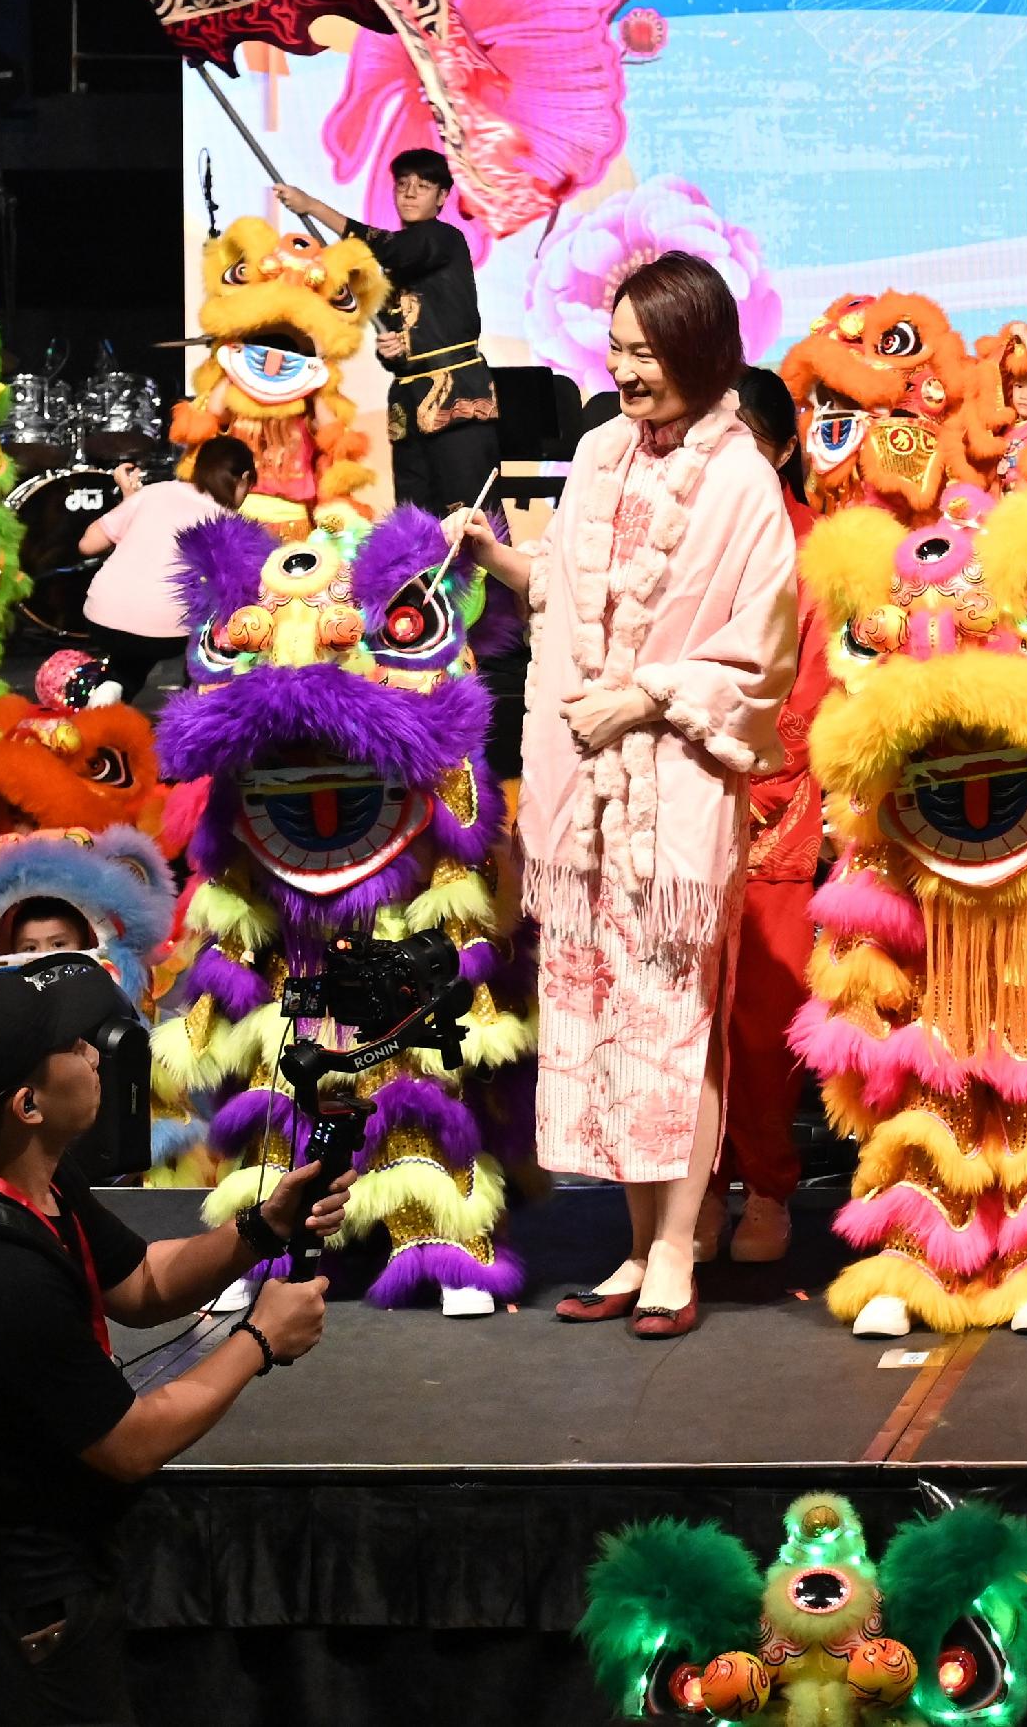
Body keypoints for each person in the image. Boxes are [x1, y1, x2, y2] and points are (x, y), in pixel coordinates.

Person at [449, 253, 799, 1339]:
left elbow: (759, 656)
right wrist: (498, 561)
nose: (624, 371)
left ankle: (676, 1253)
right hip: (581, 799)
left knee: (672, 1022)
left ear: (698, 351)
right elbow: (569, 593)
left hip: (675, 794)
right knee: (603, 1022)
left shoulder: (743, 480)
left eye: (645, 354)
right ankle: (639, 1240)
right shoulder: (598, 450)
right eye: (616, 351)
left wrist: (640, 698)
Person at [0, 958, 348, 1725]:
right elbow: (129, 1442)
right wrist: (259, 1339)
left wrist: (259, 1229)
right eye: (74, 1045)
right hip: (15, 1603)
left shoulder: (16, 1173)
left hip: (54, 1565)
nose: (98, 1053)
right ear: (28, 1102)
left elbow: (139, 1281)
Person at [706, 366, 820, 1270]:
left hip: (778, 808)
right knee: (680, 1012)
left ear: (784, 447)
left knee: (758, 1019)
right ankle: (693, 1185)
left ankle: (768, 1185)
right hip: (677, 800)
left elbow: (813, 700)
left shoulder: (821, 553)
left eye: (747, 436)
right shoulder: (685, 538)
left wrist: (762, 783)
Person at [274, 152, 498, 515]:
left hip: (455, 397)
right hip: (408, 403)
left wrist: (313, 206)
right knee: (415, 512)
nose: (409, 194)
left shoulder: (442, 239)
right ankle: (420, 574)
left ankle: (491, 575)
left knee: (469, 511)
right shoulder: (390, 272)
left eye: (422, 187)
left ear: (442, 197)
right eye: (402, 185)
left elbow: (390, 248)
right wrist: (389, 351)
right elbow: (394, 336)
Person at [76, 436, 252, 694]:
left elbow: (87, 545)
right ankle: (193, 700)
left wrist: (129, 501)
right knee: (214, 620)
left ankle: (112, 687)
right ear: (244, 478)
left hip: (102, 620)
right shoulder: (229, 522)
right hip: (167, 634)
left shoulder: (153, 492)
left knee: (131, 656)